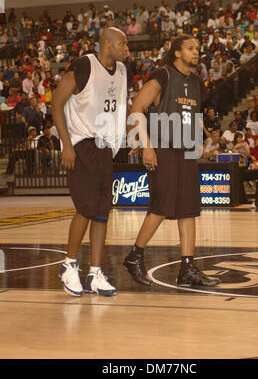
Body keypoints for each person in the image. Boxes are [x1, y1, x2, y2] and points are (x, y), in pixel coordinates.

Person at [123, 35, 220, 288]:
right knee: (161, 206)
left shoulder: (197, 82)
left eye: (197, 49)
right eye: (190, 48)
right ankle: (135, 255)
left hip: (186, 151)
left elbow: (194, 115)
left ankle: (187, 268)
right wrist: (146, 145)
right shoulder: (162, 75)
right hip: (163, 149)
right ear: (177, 52)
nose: (196, 52)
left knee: (188, 210)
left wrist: (199, 141)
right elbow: (136, 109)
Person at [52, 27, 130, 297]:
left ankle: (95, 272)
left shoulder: (121, 71)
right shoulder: (84, 65)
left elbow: (118, 106)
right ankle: (69, 264)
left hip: (105, 147)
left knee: (101, 212)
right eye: (123, 42)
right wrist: (67, 144)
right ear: (106, 43)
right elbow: (56, 103)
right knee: (85, 208)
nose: (126, 48)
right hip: (82, 144)